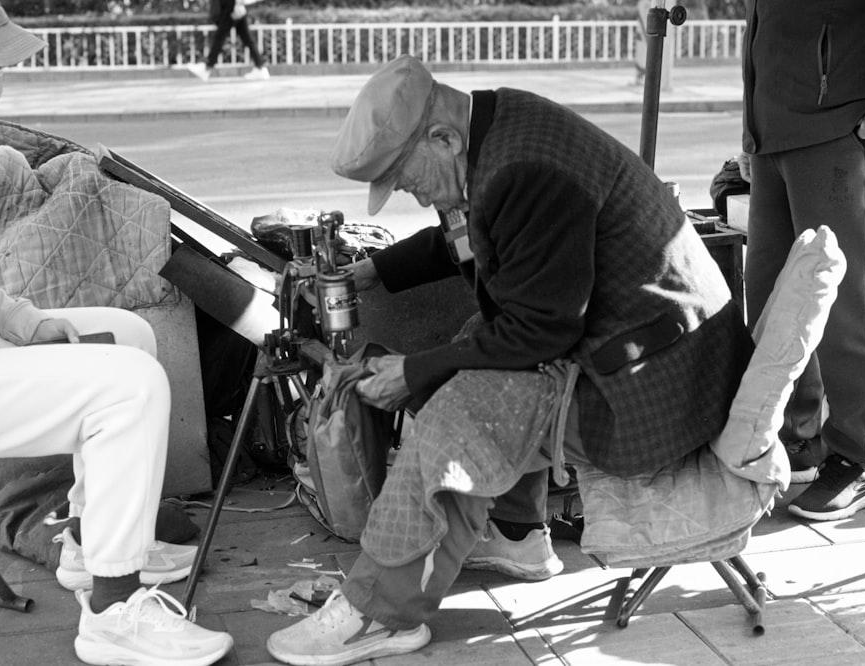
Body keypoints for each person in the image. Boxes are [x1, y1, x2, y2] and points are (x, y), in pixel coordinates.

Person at [266, 54, 752, 666]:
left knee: (457, 416)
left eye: (408, 180)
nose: (414, 198)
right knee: (473, 355)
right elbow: (476, 235)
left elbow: (538, 332)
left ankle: (379, 613)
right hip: (651, 350)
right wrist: (371, 272)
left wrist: (416, 372)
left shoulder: (525, 169)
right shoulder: (496, 126)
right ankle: (519, 535)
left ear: (442, 137)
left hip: (656, 386)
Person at [0, 2, 232, 664]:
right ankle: (112, 611)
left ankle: (90, 540)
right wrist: (20, 360)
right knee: (126, 388)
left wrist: (33, 325)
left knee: (127, 335)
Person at [738, 0, 865, 520]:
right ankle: (796, 439)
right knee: (771, 298)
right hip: (772, 135)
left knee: (853, 306)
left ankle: (859, 458)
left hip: (843, 126)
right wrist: (751, 127)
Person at [190, 0, 269, 81]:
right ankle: (260, 67)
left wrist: (237, 4)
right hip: (234, 6)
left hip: (231, 6)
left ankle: (207, 68)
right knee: (247, 38)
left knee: (220, 37)